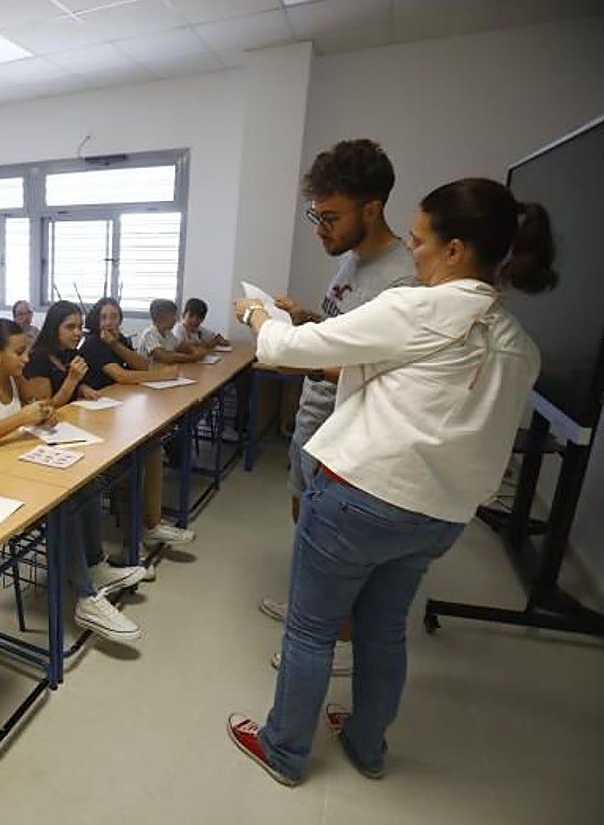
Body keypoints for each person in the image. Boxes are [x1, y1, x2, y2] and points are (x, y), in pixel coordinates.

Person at [226, 177, 553, 787]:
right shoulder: (518, 344)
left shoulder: (416, 306)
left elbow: (285, 348)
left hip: (360, 498)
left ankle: (285, 749)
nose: (413, 248)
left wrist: (255, 316)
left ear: (456, 250)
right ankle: (367, 745)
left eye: (422, 239)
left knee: (311, 629)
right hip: (438, 518)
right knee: (382, 630)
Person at [259, 139, 418, 678]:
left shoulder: (400, 279)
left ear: (371, 208)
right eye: (315, 215)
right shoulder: (351, 260)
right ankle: (309, 610)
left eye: (329, 217)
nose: (319, 229)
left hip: (348, 434)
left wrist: (287, 351)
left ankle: (334, 643)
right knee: (305, 522)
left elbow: (377, 369)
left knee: (335, 548)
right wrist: (305, 319)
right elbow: (343, 336)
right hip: (314, 421)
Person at [0, 319, 145, 641]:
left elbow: (38, 407)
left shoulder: (14, 378)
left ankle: (95, 564)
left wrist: (45, 412)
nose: (26, 359)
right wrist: (22, 418)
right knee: (64, 502)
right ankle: (86, 597)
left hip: (17, 468)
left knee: (87, 482)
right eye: (20, 352)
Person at [79, 297, 194, 566]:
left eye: (114, 317)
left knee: (153, 448)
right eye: (104, 317)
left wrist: (118, 344)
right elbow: (123, 376)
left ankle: (151, 525)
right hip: (95, 420)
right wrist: (165, 374)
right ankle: (134, 543)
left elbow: (140, 365)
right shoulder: (94, 344)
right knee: (132, 463)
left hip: (117, 411)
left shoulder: (116, 341)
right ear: (96, 320)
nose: (109, 322)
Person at [23, 300, 100, 407]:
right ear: (53, 328)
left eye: (80, 327)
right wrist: (72, 379)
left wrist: (82, 388)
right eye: (70, 327)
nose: (78, 333)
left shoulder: (71, 353)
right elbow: (44, 407)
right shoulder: (37, 359)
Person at [136, 299, 198, 365]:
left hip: (164, 371)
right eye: (173, 316)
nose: (175, 320)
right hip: (148, 373)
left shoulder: (168, 333)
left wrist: (194, 350)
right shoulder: (149, 334)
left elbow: (181, 346)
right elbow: (165, 357)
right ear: (162, 317)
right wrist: (191, 358)